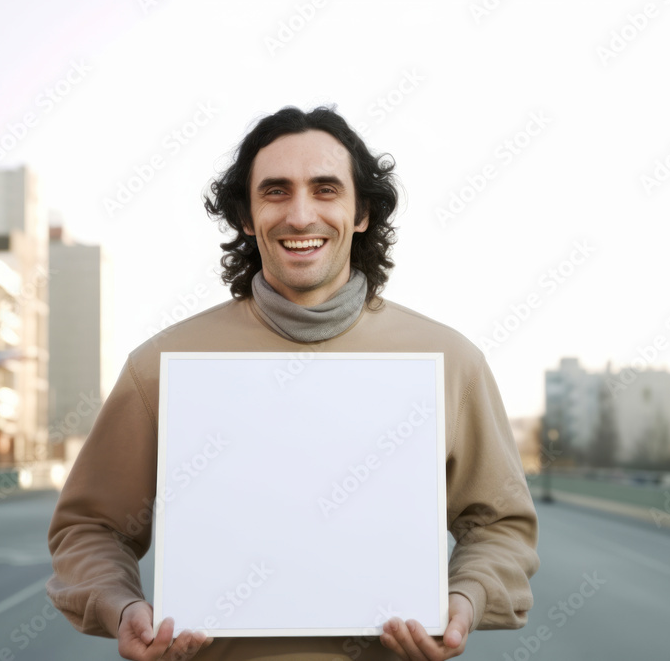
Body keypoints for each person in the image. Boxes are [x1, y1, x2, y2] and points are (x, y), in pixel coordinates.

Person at [46, 104, 540, 661]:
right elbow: (90, 526)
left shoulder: (451, 361)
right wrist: (120, 605)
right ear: (246, 216)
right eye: (276, 191)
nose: (301, 215)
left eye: (326, 189)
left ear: (362, 214)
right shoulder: (163, 364)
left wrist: (464, 598)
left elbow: (499, 524)